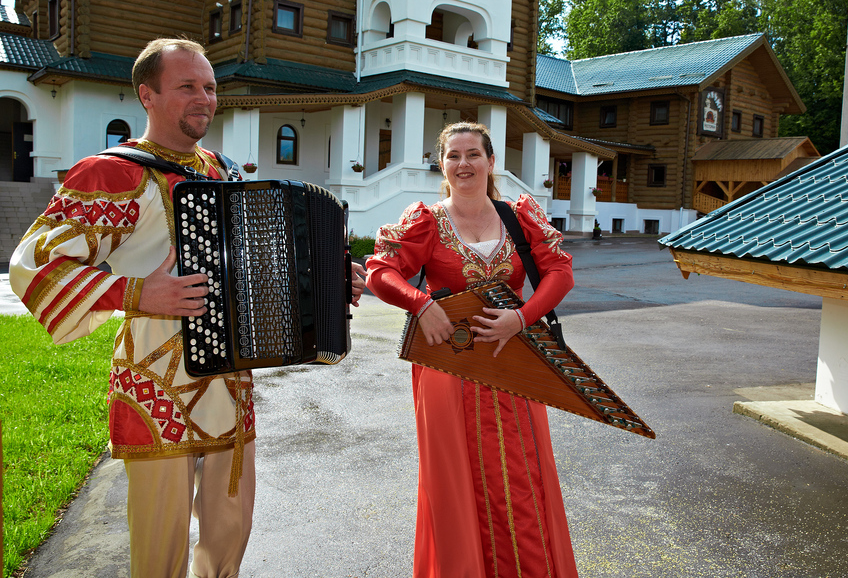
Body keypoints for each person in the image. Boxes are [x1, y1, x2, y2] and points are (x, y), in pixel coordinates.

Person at [9, 38, 365, 578]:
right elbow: (32, 264)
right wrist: (134, 293)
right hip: (157, 390)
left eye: (210, 87)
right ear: (146, 95)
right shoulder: (111, 173)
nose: (204, 98)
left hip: (231, 380)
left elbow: (256, 259)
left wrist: (333, 280)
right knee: (160, 544)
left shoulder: (222, 169)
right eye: (187, 87)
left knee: (230, 531)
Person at [365, 121, 579, 577]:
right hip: (449, 367)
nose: (464, 164)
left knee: (522, 477)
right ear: (442, 166)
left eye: (473, 154)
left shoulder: (519, 216)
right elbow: (380, 273)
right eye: (453, 156)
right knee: (455, 482)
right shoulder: (426, 220)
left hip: (515, 362)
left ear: (491, 161)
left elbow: (560, 272)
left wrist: (521, 317)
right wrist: (421, 305)